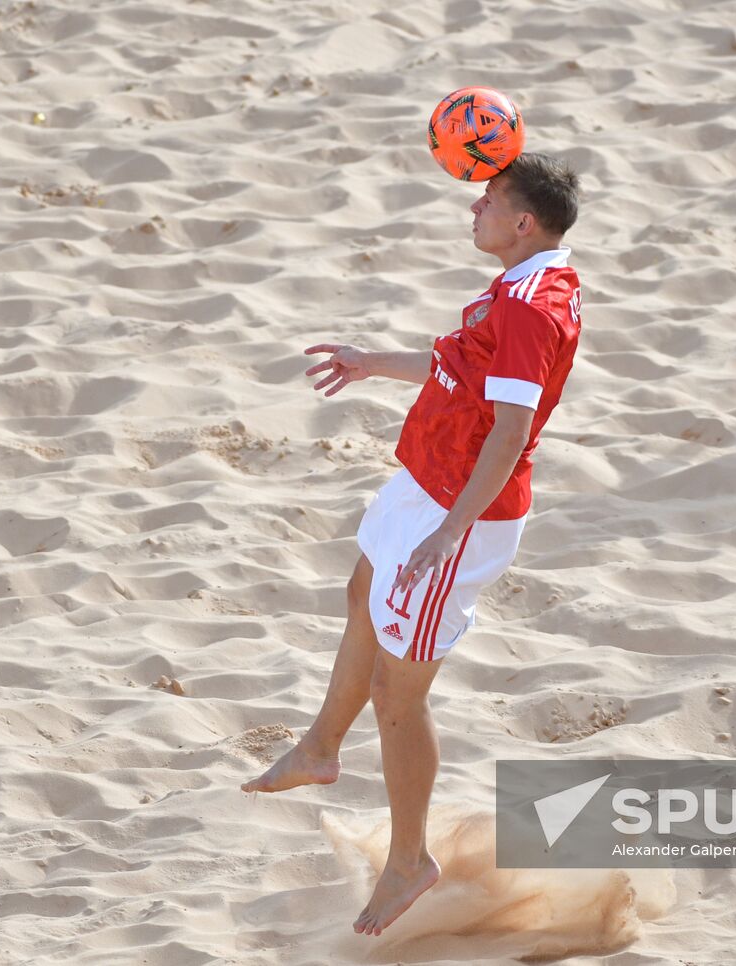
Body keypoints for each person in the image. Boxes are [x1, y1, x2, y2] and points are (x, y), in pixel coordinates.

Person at [241, 152, 583, 937]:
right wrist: (371, 364)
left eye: (489, 200)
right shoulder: (516, 287)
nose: (475, 210)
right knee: (361, 591)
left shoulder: (533, 306)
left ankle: (409, 862)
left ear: (523, 223)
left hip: (461, 514)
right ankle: (322, 747)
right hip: (426, 483)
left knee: (401, 694)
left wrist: (451, 530)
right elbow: (456, 370)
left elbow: (511, 430)